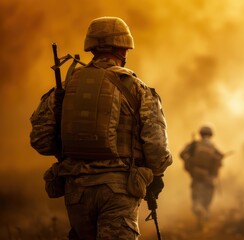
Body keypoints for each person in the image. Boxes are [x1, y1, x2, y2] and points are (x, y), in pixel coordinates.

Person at [30, 16, 172, 239]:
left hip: (76, 191)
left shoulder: (66, 87)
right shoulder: (137, 88)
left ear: (91, 48)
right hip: (118, 189)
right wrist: (157, 175)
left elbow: (41, 140)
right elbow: (156, 145)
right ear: (124, 49)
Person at [179, 125, 224, 229]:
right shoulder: (213, 146)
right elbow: (219, 158)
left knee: (196, 194)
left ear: (201, 134)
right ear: (211, 135)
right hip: (209, 176)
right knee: (209, 193)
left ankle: (198, 208)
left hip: (196, 174)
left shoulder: (194, 144)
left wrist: (189, 160)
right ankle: (206, 209)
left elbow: (181, 154)